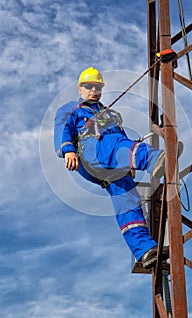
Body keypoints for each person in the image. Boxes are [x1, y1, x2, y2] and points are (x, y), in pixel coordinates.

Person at [60, 67, 166, 269]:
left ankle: (144, 250)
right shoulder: (73, 110)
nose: (93, 90)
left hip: (109, 162)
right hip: (91, 150)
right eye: (89, 86)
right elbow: (64, 128)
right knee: (115, 145)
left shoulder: (107, 114)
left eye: (97, 87)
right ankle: (156, 160)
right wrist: (68, 150)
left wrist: (129, 166)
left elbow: (123, 139)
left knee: (127, 197)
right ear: (80, 89)